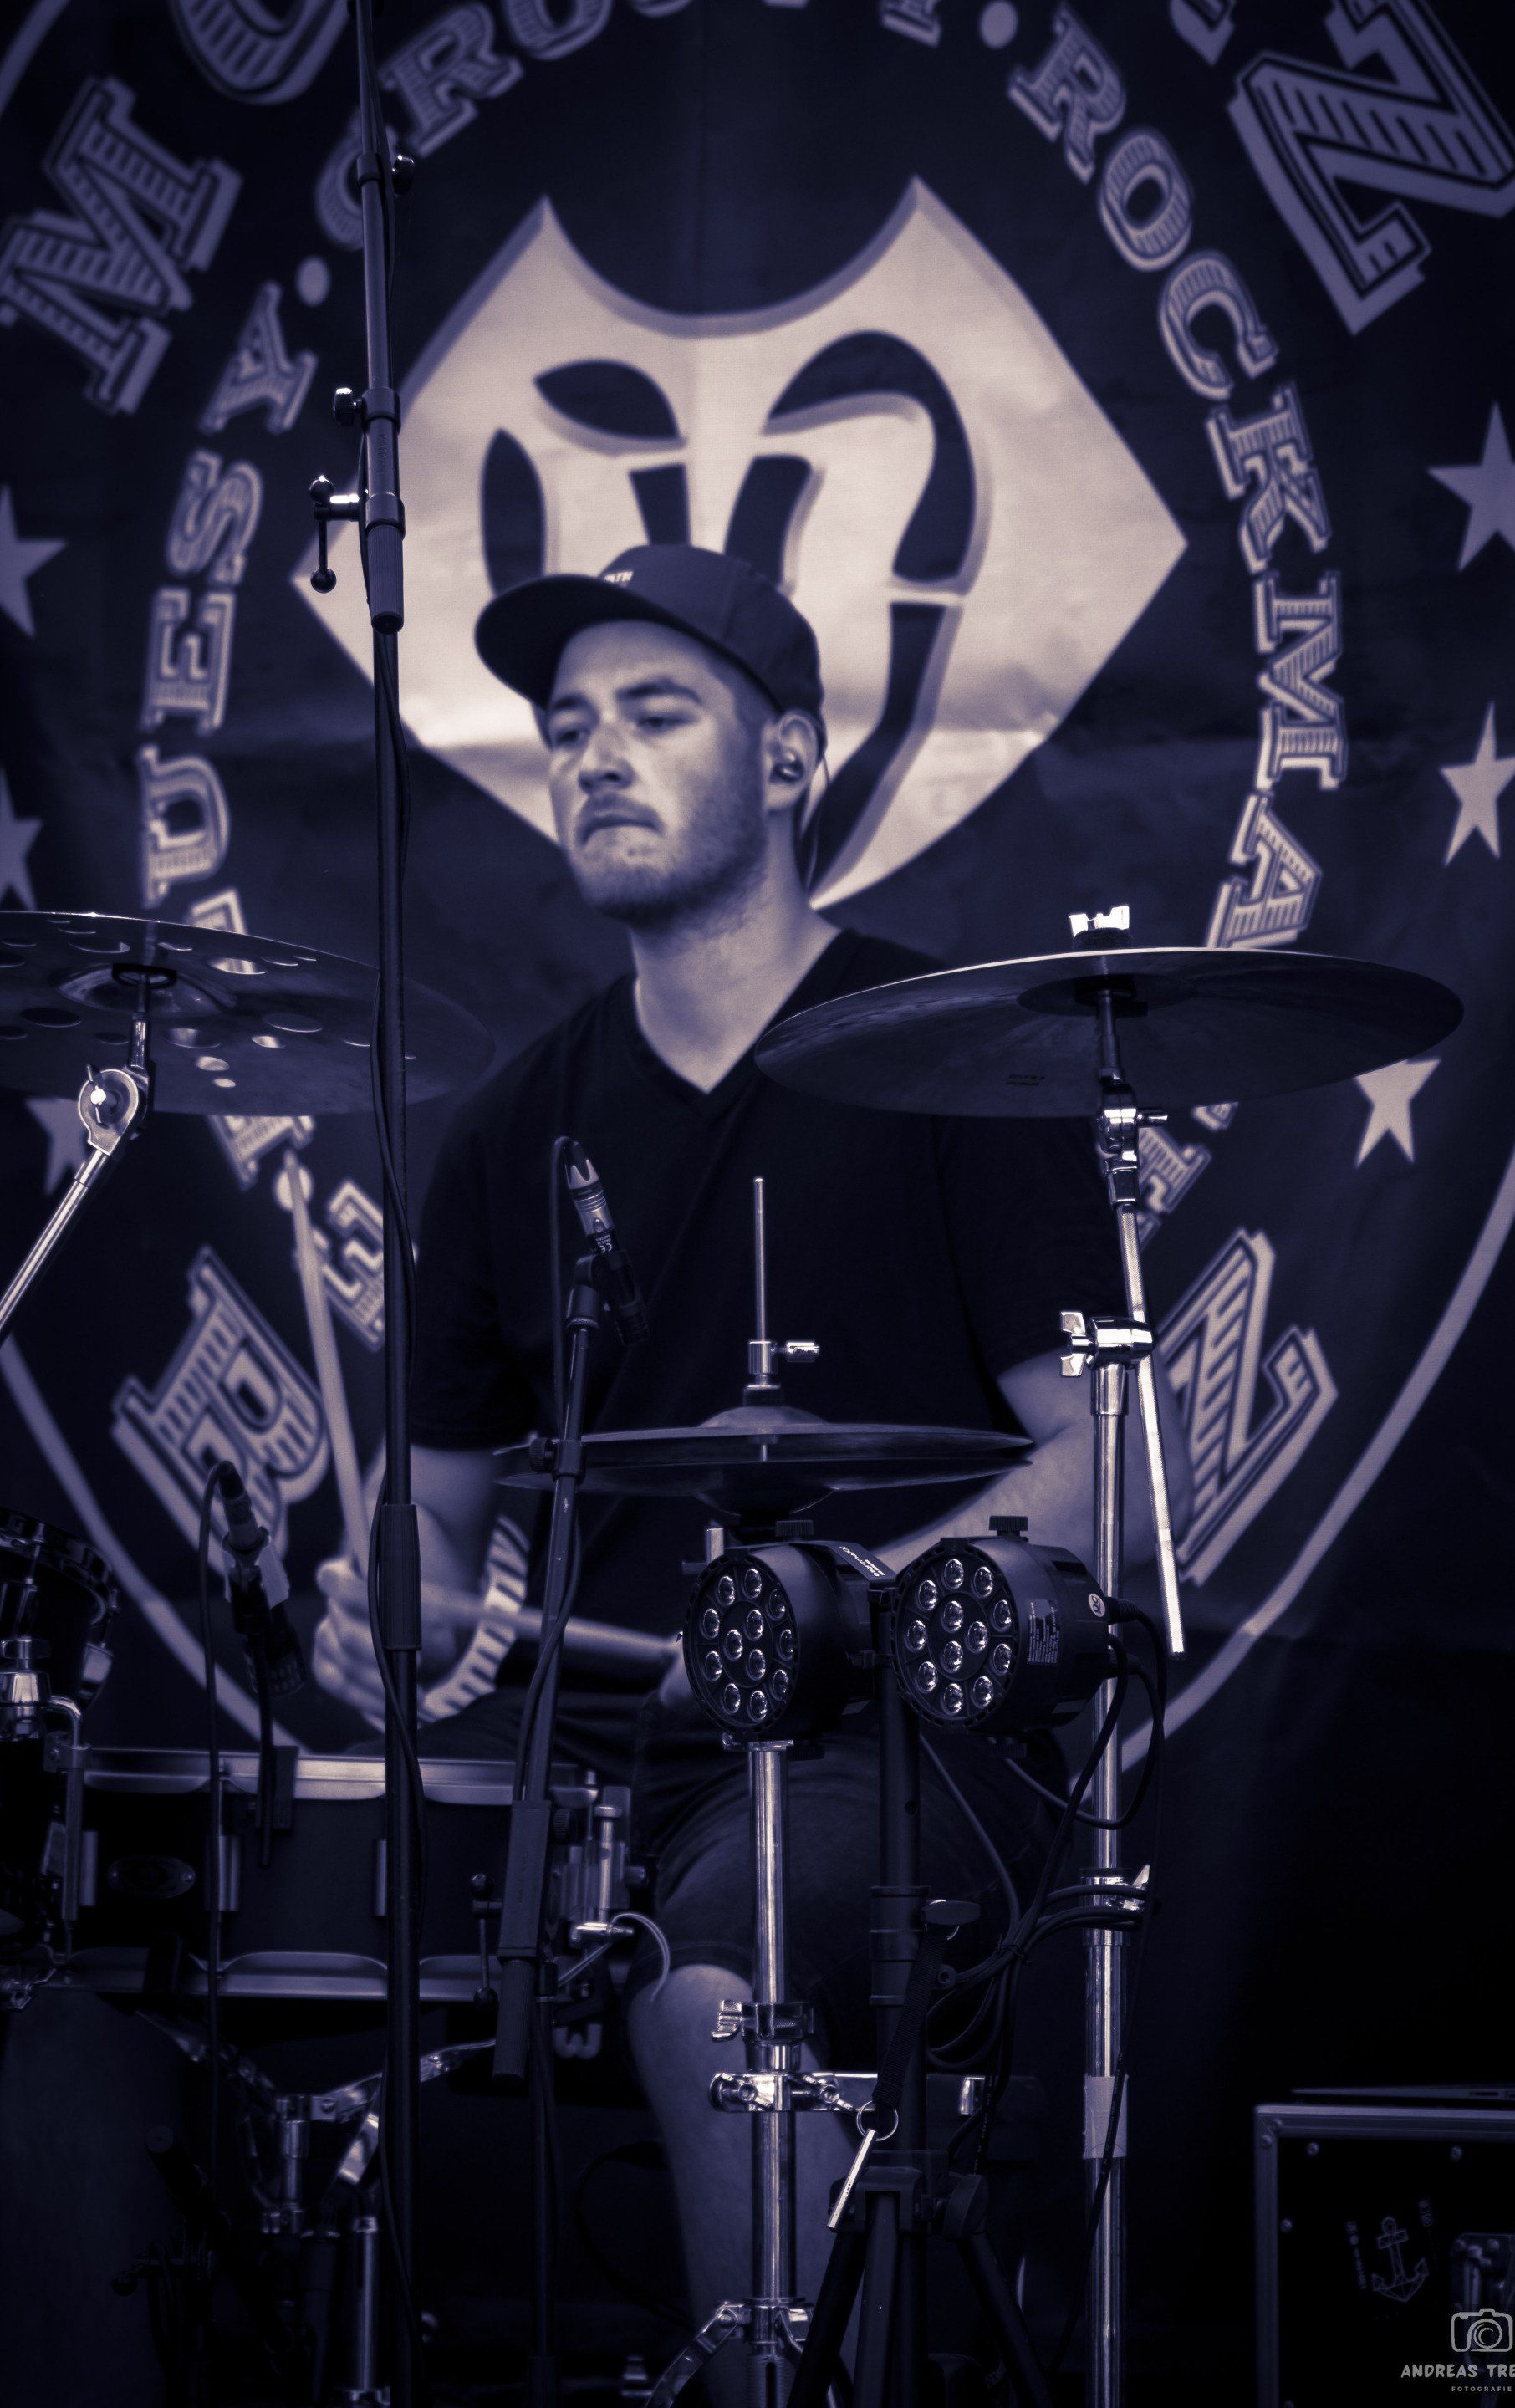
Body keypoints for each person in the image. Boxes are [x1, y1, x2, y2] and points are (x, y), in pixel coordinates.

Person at [310, 543, 1187, 2376]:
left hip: (912, 1744)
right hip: (610, 1761)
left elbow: (1103, 1464)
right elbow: (433, 1542)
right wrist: (386, 1611)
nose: (595, 756)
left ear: (789, 757)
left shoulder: (953, 1066)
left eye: (656, 713)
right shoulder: (513, 1131)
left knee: (719, 1958)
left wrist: (830, 1612)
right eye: (568, 728)